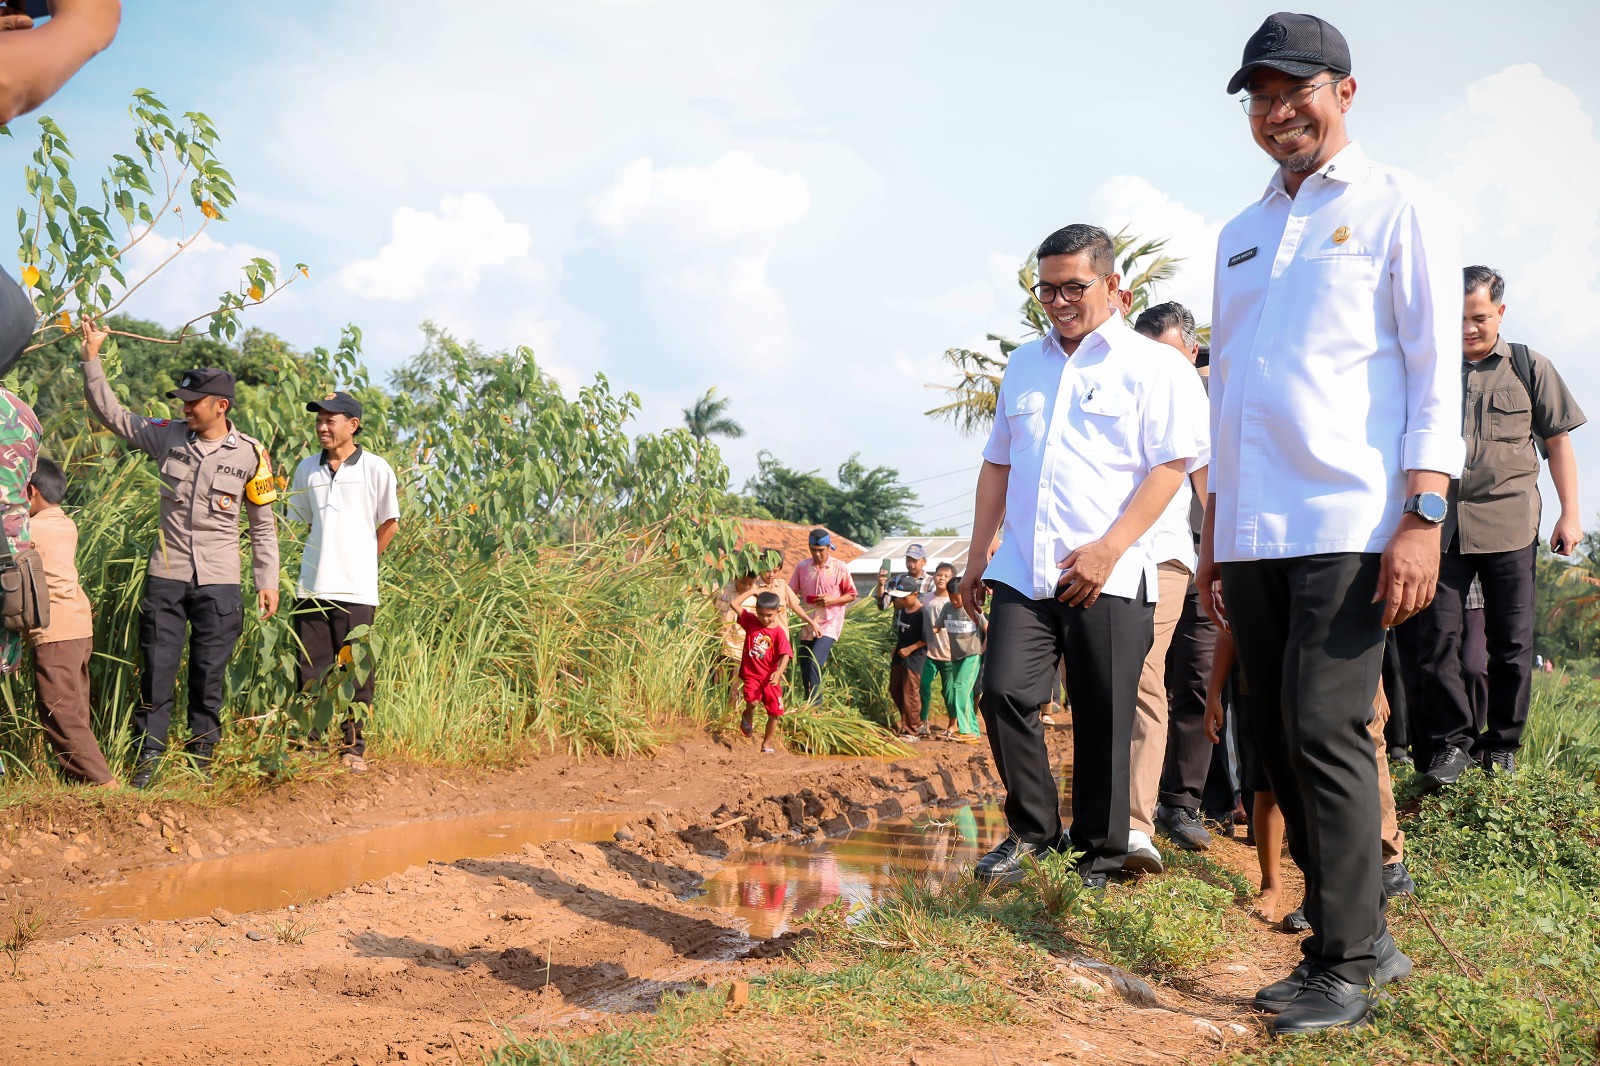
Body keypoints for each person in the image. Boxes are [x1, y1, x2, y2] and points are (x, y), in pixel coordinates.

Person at [1201, 13, 1458, 1034]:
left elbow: (1433, 366)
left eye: (1292, 91)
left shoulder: (1398, 206)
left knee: (1322, 723)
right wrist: (1219, 527)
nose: (1275, 114)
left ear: (1342, 92)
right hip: (1255, 528)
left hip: (1353, 517)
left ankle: (1345, 958)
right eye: (1257, 99)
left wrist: (1423, 513)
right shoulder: (1240, 232)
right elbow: (1229, 394)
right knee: (1273, 736)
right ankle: (1361, 941)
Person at [961, 223, 1207, 889]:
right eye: (1048, 290)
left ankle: (1099, 854)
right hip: (1025, 570)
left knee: (1104, 714)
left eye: (1076, 286)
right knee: (1004, 693)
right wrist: (980, 551)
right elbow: (997, 465)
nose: (1061, 300)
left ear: (1113, 287)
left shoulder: (1153, 367)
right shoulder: (1024, 364)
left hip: (1111, 573)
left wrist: (1109, 549)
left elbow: (1170, 468)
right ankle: (1035, 833)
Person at [80, 322, 280, 787]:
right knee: (157, 671)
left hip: (220, 582)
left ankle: (200, 763)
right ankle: (148, 760)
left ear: (221, 406)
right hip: (167, 575)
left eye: (193, 403)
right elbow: (112, 413)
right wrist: (92, 359)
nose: (185, 409)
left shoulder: (252, 454)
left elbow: (263, 524)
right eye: (183, 402)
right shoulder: (166, 437)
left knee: (208, 676)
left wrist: (265, 580)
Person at [1414, 266, 1586, 788]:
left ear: (1500, 313)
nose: (1469, 327)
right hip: (1439, 528)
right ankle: (1451, 746)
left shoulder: (1530, 366)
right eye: (1460, 317)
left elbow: (1558, 443)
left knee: (1510, 644)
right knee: (1435, 639)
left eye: (1479, 317)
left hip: (1510, 525)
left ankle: (1502, 746)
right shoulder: (1429, 370)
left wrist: (1570, 513)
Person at [1124, 301, 1213, 871]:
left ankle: (1183, 803)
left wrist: (1226, 557)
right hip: (1159, 555)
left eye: (1170, 353)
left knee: (1202, 684)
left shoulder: (1220, 395)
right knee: (1142, 677)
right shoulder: (1132, 389)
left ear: (1193, 350)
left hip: (1213, 558)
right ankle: (1134, 817)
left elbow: (1213, 480)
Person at [284, 392, 399, 774]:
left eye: (330, 420)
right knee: (310, 669)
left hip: (357, 590)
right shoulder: (306, 469)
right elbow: (301, 522)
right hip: (312, 586)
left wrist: (365, 561)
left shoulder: (376, 469)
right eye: (319, 419)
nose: (322, 426)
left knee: (354, 670)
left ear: (353, 425)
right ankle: (310, 744)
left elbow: (390, 522)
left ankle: (352, 748)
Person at [22, 457, 115, 785]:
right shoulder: (65, 524)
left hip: (56, 632)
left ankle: (106, 785)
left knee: (59, 710)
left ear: (30, 491)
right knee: (74, 710)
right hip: (78, 627)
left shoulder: (31, 529)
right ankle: (81, 786)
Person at [788, 529, 857, 701]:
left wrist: (832, 600)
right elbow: (791, 592)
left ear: (828, 547)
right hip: (807, 622)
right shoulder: (802, 567)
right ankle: (808, 701)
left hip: (829, 623)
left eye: (821, 550)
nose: (817, 554)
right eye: (813, 550)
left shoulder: (839, 567)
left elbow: (851, 594)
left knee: (814, 662)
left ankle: (815, 704)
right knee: (804, 665)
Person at [737, 591, 792, 754]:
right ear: (756, 611)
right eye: (761, 614)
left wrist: (779, 672)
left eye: (769, 615)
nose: (765, 618)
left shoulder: (779, 633)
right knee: (752, 702)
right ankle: (748, 715)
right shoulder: (751, 622)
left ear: (778, 611)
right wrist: (752, 592)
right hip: (752, 674)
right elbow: (734, 604)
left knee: (775, 712)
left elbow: (786, 655)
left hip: (770, 678)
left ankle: (766, 744)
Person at [934, 575, 984, 742]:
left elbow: (987, 627)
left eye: (957, 598)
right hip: (956, 656)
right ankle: (973, 732)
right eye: (951, 598)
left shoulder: (973, 607)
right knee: (965, 694)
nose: (955, 602)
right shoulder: (948, 608)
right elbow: (937, 627)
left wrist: (985, 648)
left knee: (960, 688)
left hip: (972, 654)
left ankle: (965, 730)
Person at [886, 585, 928, 739]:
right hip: (900, 655)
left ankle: (912, 730)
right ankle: (912, 721)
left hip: (914, 658)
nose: (901, 601)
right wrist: (897, 648)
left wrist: (910, 649)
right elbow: (902, 634)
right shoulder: (903, 611)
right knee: (895, 688)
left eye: (904, 597)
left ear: (915, 594)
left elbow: (926, 639)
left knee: (910, 693)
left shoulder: (922, 613)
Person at [923, 562, 956, 731]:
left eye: (946, 576)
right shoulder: (926, 598)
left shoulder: (955, 599)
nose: (941, 578)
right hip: (928, 652)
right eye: (939, 574)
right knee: (923, 686)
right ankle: (923, 722)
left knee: (949, 691)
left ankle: (952, 724)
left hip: (949, 653)